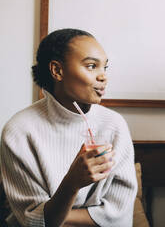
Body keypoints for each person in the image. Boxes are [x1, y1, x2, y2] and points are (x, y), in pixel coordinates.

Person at [0, 28, 137, 227]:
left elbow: (119, 216)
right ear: (57, 70)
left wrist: (52, 217)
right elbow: (32, 222)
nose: (103, 76)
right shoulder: (19, 131)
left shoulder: (114, 125)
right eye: (91, 66)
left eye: (104, 68)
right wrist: (72, 183)